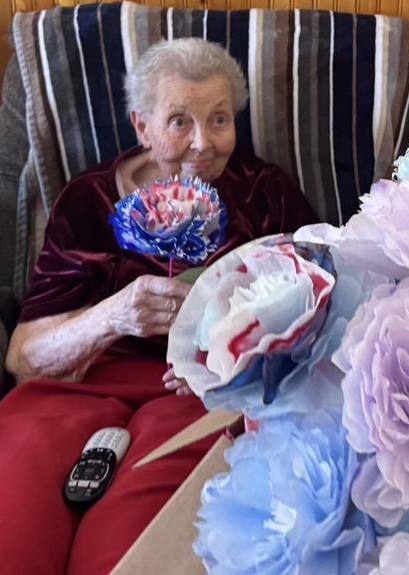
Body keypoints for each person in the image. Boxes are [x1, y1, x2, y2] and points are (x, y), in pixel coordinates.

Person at [0, 38, 319, 575]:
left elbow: (317, 310)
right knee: (13, 531)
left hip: (200, 398)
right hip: (79, 387)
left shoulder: (266, 194)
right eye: (179, 121)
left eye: (219, 119)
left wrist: (231, 356)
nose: (203, 144)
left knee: (128, 552)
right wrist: (112, 315)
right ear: (141, 126)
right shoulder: (88, 200)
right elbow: (23, 357)